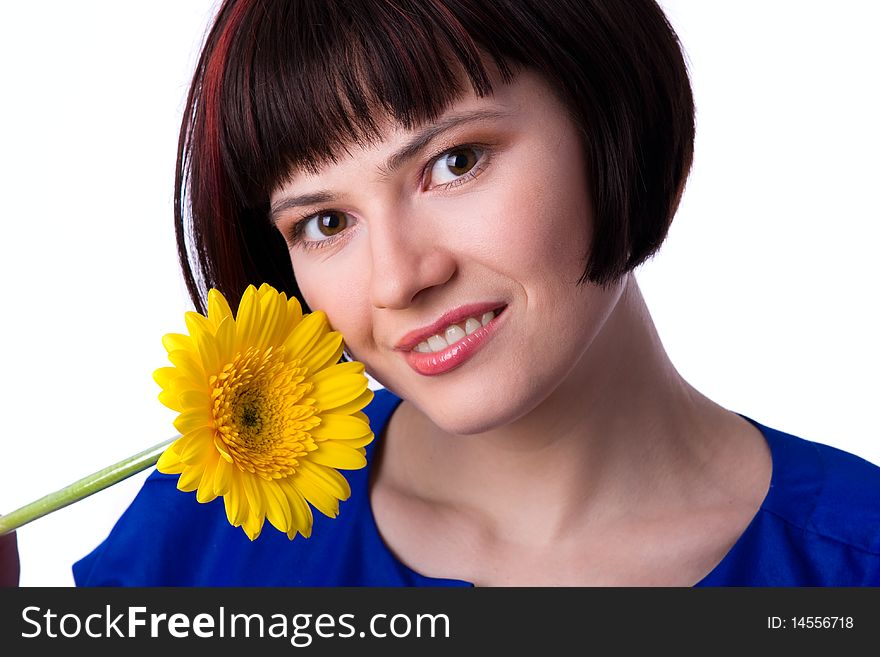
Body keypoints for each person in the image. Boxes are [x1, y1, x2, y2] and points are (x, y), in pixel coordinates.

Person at [73, 0, 880, 586]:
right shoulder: (213, 533)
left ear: (607, 108)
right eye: (324, 222)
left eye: (455, 162)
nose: (399, 278)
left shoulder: (851, 567)